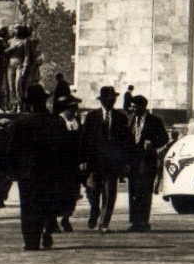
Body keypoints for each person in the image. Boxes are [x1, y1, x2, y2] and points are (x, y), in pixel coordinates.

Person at [7, 82, 69, 251]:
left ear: (30, 104)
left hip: (28, 173)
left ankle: (31, 240)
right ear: (43, 102)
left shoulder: (21, 124)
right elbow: (66, 149)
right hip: (51, 172)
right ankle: (47, 231)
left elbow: (12, 151)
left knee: (28, 206)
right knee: (47, 204)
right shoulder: (56, 122)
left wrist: (13, 172)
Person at [79, 84, 133, 233]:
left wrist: (126, 162)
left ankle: (104, 223)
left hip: (112, 163)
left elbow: (126, 141)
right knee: (93, 191)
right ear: (101, 100)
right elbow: (84, 139)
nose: (111, 101)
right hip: (94, 162)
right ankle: (94, 211)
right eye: (108, 98)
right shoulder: (91, 117)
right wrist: (82, 160)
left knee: (110, 194)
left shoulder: (121, 117)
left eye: (113, 98)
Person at [126, 95, 170, 232]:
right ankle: (134, 221)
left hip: (147, 161)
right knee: (133, 190)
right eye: (131, 107)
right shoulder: (130, 120)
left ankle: (143, 221)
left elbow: (164, 138)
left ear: (142, 107)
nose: (132, 109)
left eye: (134, 107)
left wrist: (153, 143)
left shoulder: (155, 121)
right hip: (133, 161)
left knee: (145, 191)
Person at [54, 96, 84, 230]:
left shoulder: (76, 122)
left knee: (72, 193)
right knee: (58, 193)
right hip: (59, 164)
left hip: (73, 164)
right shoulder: (56, 121)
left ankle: (66, 217)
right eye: (72, 107)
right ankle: (53, 220)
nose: (75, 110)